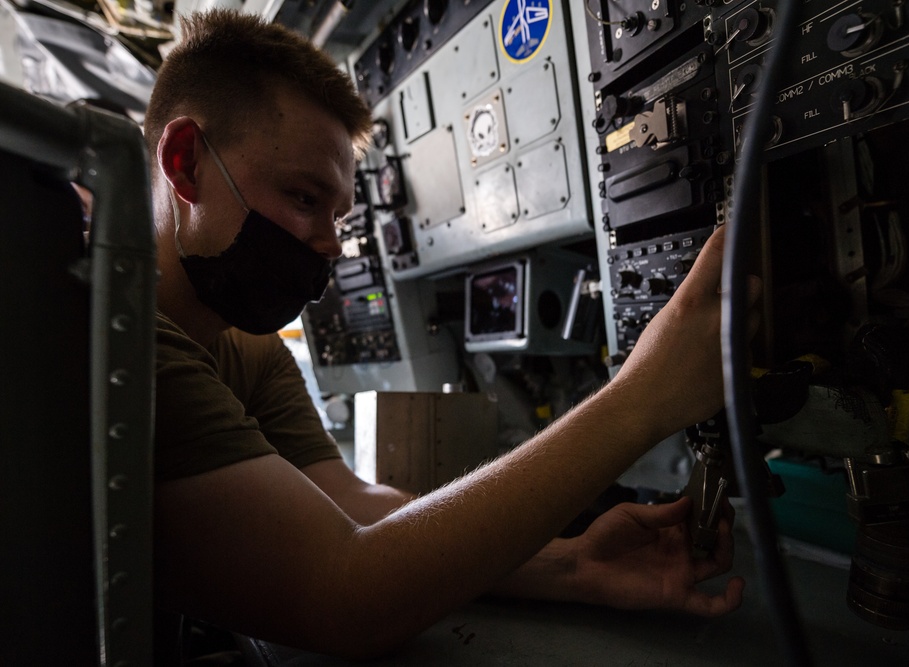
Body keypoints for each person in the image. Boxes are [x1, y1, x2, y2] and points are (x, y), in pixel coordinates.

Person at [147, 9, 757, 660]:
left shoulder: (250, 353)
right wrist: (644, 398)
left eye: (337, 214)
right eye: (303, 197)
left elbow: (351, 500)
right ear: (185, 162)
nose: (329, 242)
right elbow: (344, 595)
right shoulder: (125, 344)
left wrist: (572, 563)